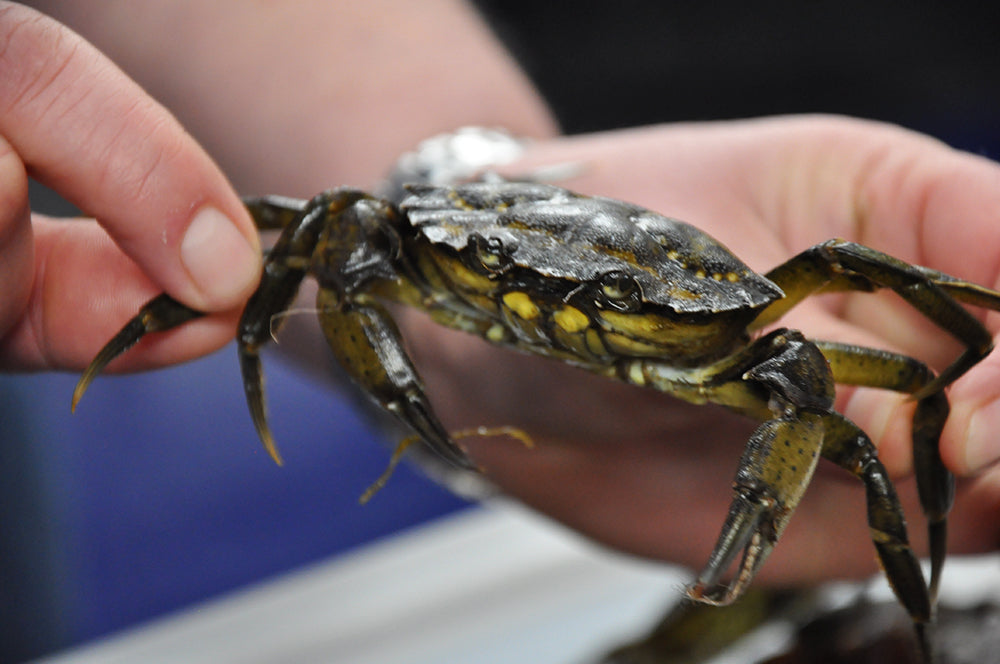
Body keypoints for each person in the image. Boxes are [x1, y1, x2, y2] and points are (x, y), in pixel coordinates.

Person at [4, 0, 999, 591]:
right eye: (515, 284)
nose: (548, 303)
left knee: (872, 419)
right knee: (320, 225)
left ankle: (917, 592)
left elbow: (884, 376)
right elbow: (320, 230)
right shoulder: (398, 239)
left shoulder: (758, 345)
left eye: (585, 301)